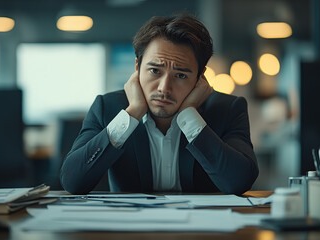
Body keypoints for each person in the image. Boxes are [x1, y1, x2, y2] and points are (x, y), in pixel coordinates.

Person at [60, 13, 258, 195]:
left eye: (180, 75)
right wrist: (133, 113)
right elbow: (72, 182)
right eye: (155, 71)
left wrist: (189, 116)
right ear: (137, 66)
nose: (164, 88)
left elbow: (239, 182)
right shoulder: (107, 107)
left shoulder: (229, 109)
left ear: (199, 77)